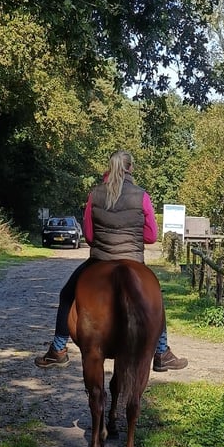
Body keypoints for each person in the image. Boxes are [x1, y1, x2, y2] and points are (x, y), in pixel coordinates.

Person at [36, 150, 188, 373]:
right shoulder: (142, 196)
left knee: (67, 294)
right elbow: (151, 236)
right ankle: (162, 352)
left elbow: (88, 235)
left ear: (109, 168)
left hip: (100, 259)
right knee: (156, 300)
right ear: (131, 168)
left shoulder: (94, 194)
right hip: (133, 259)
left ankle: (58, 350)